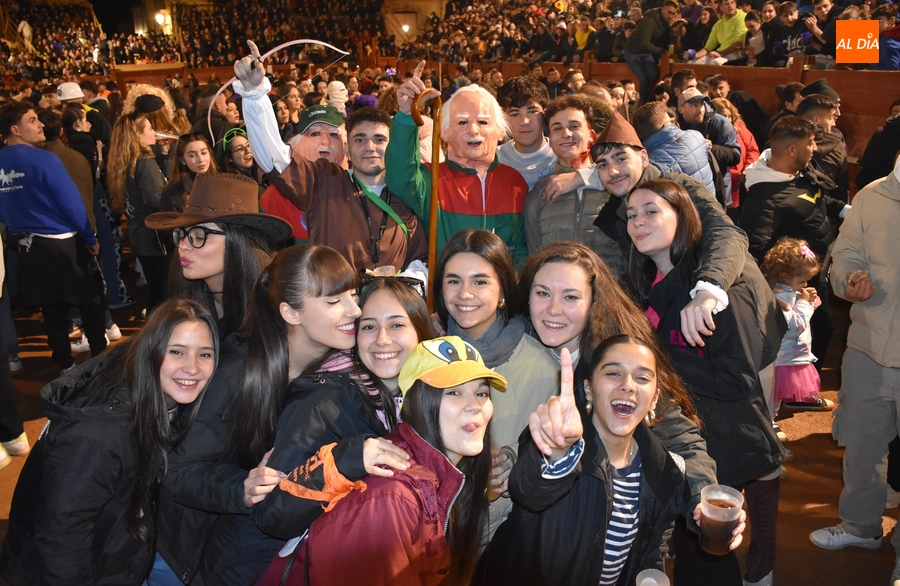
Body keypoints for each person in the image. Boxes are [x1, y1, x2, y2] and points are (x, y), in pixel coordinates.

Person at [203, 245, 410, 585]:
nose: (354, 310)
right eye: (333, 301)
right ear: (290, 312)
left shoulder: (349, 371)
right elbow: (182, 469)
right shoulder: (254, 376)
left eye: (353, 295)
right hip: (240, 560)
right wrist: (241, 486)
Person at [478, 335, 744, 585]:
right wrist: (557, 453)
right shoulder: (559, 450)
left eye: (642, 377)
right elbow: (530, 492)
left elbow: (650, 552)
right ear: (589, 389)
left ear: (653, 399)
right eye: (613, 373)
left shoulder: (663, 473)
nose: (627, 384)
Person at [626, 179, 782, 586]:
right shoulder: (651, 284)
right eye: (631, 214)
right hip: (686, 437)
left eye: (651, 211)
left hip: (725, 443)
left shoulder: (715, 292)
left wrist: (657, 358)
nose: (638, 221)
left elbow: (738, 379)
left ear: (683, 216)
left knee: (708, 552)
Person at [0, 298, 218, 586]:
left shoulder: (152, 392)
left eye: (205, 354)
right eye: (176, 352)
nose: (192, 368)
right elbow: (61, 540)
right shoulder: (100, 436)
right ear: (150, 350)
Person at [142, 173, 290, 583]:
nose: (185, 248)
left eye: (199, 237)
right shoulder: (195, 311)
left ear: (239, 242)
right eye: (182, 237)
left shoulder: (268, 331)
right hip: (168, 522)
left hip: (204, 537)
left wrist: (240, 487)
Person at [256, 336, 500, 586]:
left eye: (482, 392)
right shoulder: (391, 496)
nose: (475, 405)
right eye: (454, 392)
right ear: (417, 402)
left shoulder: (443, 479)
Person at [808, 158, 900, 584]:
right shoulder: (873, 194)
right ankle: (862, 526)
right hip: (867, 346)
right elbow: (846, 251)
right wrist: (848, 279)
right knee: (863, 446)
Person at [433, 229, 559, 540]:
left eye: (480, 281)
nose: (464, 293)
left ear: (502, 290)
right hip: (430, 533)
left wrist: (514, 461)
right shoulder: (429, 355)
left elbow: (552, 455)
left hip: (501, 539)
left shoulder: (540, 367)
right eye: (453, 281)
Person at [386, 60, 529, 264]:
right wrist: (407, 115)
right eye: (462, 122)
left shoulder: (514, 181)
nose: (473, 130)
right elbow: (399, 175)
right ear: (444, 132)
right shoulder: (430, 178)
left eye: (483, 122)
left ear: (499, 132)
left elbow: (521, 249)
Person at [0, 101, 107, 371]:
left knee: (52, 310)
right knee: (90, 304)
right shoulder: (45, 158)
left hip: (26, 248)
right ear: (16, 129)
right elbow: (71, 203)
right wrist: (90, 237)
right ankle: (100, 360)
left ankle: (64, 364)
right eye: (33, 120)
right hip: (63, 245)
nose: (41, 125)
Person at [741, 116, 849, 372]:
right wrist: (772, 293)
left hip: (813, 273)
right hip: (795, 284)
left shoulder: (799, 172)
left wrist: (846, 210)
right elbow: (752, 248)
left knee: (818, 332)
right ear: (792, 149)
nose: (815, 148)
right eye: (811, 143)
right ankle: (795, 393)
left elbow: (816, 200)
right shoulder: (764, 198)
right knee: (812, 333)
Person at [524, 93, 615, 255]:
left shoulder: (615, 181)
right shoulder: (539, 194)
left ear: (591, 136)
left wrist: (583, 177)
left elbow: (650, 176)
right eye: (557, 128)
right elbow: (534, 257)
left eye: (574, 126)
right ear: (550, 140)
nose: (566, 133)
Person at [107, 104, 169, 314]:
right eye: (150, 129)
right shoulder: (144, 162)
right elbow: (156, 200)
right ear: (137, 135)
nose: (154, 133)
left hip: (139, 235)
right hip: (155, 238)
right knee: (163, 294)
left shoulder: (125, 161)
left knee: (155, 291)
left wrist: (165, 156)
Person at [761, 237, 833, 412]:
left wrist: (810, 301)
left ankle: (772, 420)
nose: (805, 285)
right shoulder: (779, 298)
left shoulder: (789, 292)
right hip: (782, 359)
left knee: (775, 396)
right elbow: (793, 329)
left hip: (790, 357)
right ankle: (769, 423)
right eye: (802, 281)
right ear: (785, 275)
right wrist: (805, 304)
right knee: (771, 396)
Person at [632, 100, 715, 195]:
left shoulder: (648, 166)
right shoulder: (696, 136)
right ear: (666, 125)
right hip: (711, 205)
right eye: (671, 120)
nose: (674, 122)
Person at [677, 88, 742, 207]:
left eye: (701, 104)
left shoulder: (721, 123)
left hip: (717, 191)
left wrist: (713, 149)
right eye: (694, 106)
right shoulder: (675, 126)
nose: (700, 109)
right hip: (687, 193)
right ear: (681, 109)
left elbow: (735, 155)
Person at [624, 0, 681, 104]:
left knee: (653, 74)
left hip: (646, 53)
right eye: (669, 12)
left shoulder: (667, 23)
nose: (671, 15)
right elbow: (645, 42)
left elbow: (665, 41)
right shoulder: (650, 20)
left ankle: (645, 98)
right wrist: (662, 51)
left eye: (674, 13)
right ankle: (642, 103)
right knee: (643, 78)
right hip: (633, 52)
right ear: (663, 9)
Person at [711, 97, 760, 209]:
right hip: (725, 187)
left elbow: (752, 149)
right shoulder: (711, 133)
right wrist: (737, 175)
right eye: (723, 116)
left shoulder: (740, 128)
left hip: (744, 183)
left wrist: (748, 169)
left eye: (729, 116)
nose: (727, 120)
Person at [159, 133, 217, 213]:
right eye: (192, 155)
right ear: (182, 159)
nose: (201, 159)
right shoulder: (173, 191)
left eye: (203, 153)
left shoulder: (217, 181)